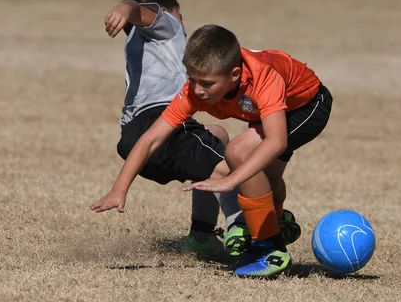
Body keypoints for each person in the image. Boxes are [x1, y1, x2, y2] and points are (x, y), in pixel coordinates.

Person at [91, 23, 332, 278]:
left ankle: (269, 249)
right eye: (192, 79)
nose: (197, 90)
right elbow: (151, 138)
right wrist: (119, 189)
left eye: (206, 83)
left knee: (238, 153)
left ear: (235, 75)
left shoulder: (263, 77)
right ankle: (278, 220)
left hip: (307, 107)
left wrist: (231, 180)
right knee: (266, 180)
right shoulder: (195, 90)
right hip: (269, 111)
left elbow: (276, 141)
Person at [91, 0, 245, 259]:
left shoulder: (136, 44)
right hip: (163, 125)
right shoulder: (170, 30)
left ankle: (202, 235)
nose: (182, 22)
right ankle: (242, 231)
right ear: (167, 12)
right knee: (235, 171)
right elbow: (143, 11)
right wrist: (128, 6)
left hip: (134, 138)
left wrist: (119, 189)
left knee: (217, 134)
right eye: (180, 14)